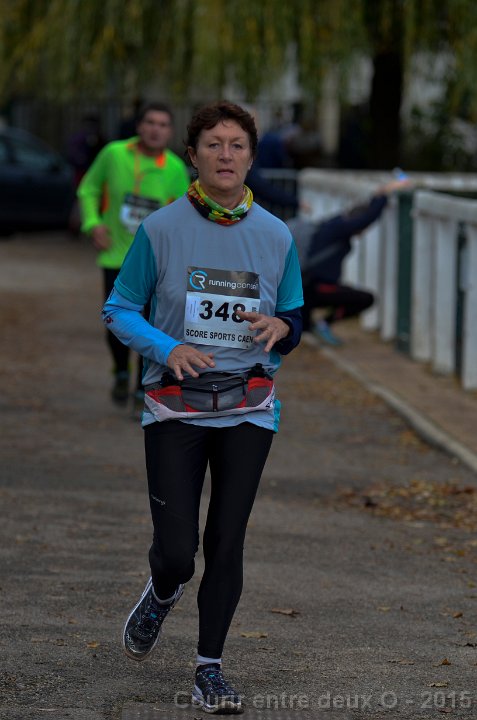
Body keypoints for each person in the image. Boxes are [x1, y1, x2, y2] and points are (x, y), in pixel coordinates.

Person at [102, 101, 303, 713]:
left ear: (251, 157)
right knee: (177, 552)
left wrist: (280, 328)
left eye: (237, 145)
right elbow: (119, 308)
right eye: (213, 144)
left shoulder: (276, 234)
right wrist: (169, 348)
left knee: (226, 538)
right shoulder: (160, 228)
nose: (225, 155)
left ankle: (208, 670)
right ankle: (162, 590)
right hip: (174, 406)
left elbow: (293, 318)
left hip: (249, 405)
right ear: (192, 156)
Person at [77, 102, 190, 408]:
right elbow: (88, 189)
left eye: (163, 125)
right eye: (150, 122)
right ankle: (120, 371)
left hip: (155, 261)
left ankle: (143, 384)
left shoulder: (175, 168)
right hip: (116, 255)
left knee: (150, 325)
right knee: (116, 321)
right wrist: (93, 224)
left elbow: (183, 216)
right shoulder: (114, 154)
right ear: (140, 126)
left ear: (170, 132)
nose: (155, 130)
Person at [287, 178, 411, 346]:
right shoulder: (341, 229)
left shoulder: (335, 222)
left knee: (303, 326)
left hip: (303, 285)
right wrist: (385, 194)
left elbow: (364, 213)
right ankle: (323, 325)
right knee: (365, 299)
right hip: (314, 287)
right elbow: (367, 217)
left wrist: (379, 193)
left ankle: (312, 327)